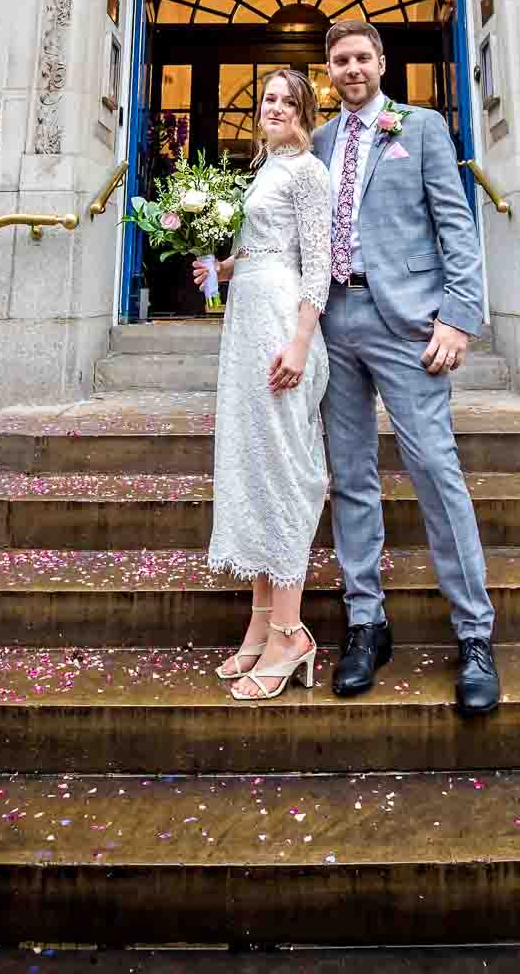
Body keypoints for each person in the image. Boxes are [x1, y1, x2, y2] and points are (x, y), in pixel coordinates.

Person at [313, 18, 501, 717]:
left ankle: (475, 634)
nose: (352, 68)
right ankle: (366, 623)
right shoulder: (322, 141)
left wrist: (458, 316)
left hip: (410, 325)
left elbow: (457, 225)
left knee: (434, 470)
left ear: (381, 63)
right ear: (327, 70)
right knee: (351, 476)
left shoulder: (418, 127)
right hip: (335, 320)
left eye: (362, 57)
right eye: (340, 60)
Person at [192, 68, 332, 703]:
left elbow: (316, 264)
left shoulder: (306, 171)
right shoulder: (265, 168)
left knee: (280, 470)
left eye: (287, 100)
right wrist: (217, 266)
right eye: (267, 99)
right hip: (245, 319)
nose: (274, 107)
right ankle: (257, 628)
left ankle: (290, 633)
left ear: (304, 109)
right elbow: (260, 249)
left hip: (281, 324)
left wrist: (300, 341)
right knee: (251, 466)